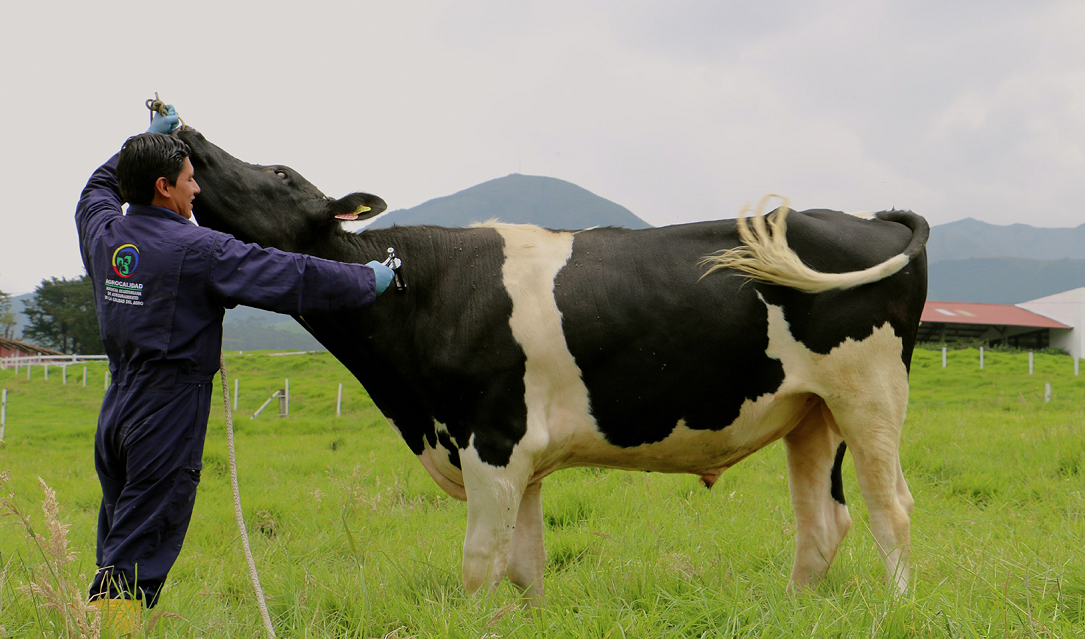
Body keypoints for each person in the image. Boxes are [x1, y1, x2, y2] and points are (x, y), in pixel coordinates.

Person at [75, 105, 394, 629]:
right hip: (166, 413)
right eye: (188, 180)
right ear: (164, 188)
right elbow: (291, 276)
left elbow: (96, 188)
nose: (197, 191)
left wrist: (137, 143)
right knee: (136, 557)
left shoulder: (104, 232)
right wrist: (367, 280)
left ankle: (93, 621)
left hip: (116, 410)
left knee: (119, 540)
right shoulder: (199, 249)